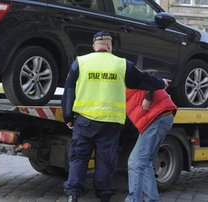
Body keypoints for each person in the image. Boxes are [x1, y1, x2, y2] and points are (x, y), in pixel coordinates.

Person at [61, 31, 170, 202]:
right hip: (110, 125)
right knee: (105, 162)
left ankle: (73, 195)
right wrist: (161, 83)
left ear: (94, 46)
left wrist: (68, 117)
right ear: (110, 46)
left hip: (84, 122)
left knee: (78, 158)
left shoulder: (80, 62)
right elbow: (144, 80)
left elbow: (68, 91)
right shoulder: (121, 64)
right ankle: (104, 197)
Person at [125, 81, 177, 202]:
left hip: (157, 118)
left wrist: (148, 97)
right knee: (145, 162)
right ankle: (152, 199)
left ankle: (133, 199)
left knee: (135, 162)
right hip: (160, 118)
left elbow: (152, 76)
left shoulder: (125, 72)